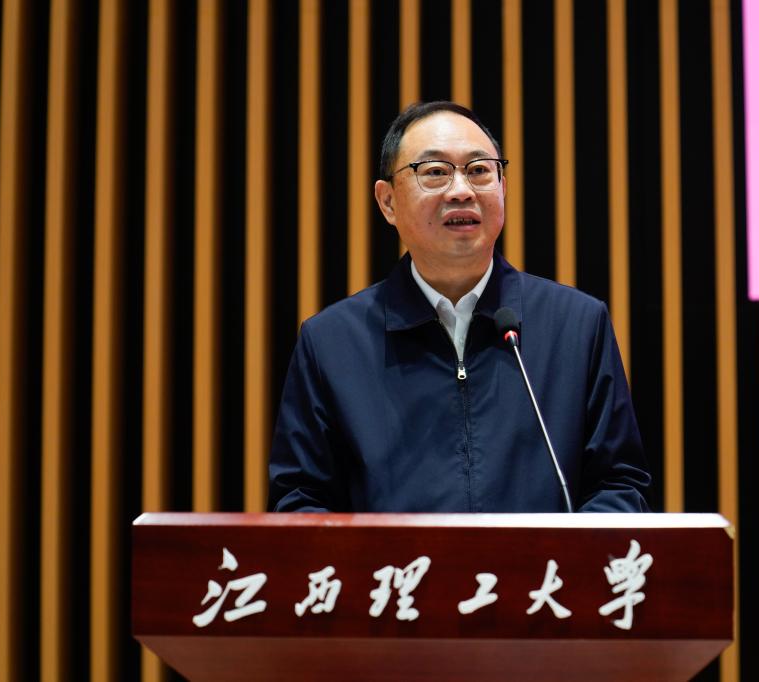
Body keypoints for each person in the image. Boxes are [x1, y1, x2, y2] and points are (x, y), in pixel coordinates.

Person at [269, 101, 651, 512]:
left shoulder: (576, 326)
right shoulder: (333, 343)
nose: (462, 190)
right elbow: (300, 502)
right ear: (388, 201)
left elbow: (619, 486)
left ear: (503, 187)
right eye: (435, 172)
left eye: (479, 170)